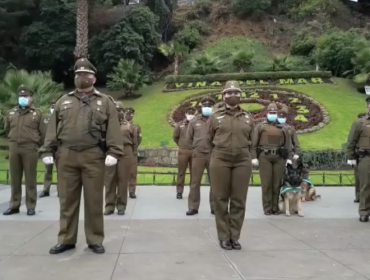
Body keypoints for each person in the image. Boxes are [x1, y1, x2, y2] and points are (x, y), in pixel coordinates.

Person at [39, 58, 124, 254]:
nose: (81, 78)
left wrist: (114, 151)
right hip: (66, 155)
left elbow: (113, 129)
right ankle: (66, 238)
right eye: (78, 74)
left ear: (94, 79)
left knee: (94, 200)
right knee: (67, 200)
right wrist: (46, 149)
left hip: (93, 155)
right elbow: (52, 129)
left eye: (85, 74)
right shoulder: (63, 101)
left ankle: (94, 239)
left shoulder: (105, 102)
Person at [207, 81, 254, 250]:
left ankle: (235, 236)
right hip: (220, 158)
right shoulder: (215, 117)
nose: (233, 95)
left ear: (240, 95)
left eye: (236, 92)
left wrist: (252, 157)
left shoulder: (248, 117)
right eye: (229, 92)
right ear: (223, 95)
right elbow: (208, 139)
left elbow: (252, 141)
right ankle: (223, 236)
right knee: (220, 199)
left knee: (239, 199)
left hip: (242, 159)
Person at [3, 85, 46, 216]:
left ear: (31, 98)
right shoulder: (11, 113)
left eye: (26, 96)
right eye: (21, 96)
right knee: (15, 179)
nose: (23, 98)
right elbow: (7, 129)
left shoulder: (37, 114)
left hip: (30, 148)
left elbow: (43, 133)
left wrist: (40, 147)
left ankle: (31, 205)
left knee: (30, 178)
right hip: (14, 147)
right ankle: (14, 205)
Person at [251, 103, 292, 215]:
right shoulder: (260, 127)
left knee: (276, 184)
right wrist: (254, 157)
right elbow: (253, 144)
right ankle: (267, 208)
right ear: (267, 113)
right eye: (271, 113)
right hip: (265, 157)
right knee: (266, 183)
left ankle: (275, 207)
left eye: (274, 113)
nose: (272, 114)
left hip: (279, 157)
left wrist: (289, 157)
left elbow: (288, 144)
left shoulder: (283, 127)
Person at [186, 96, 215, 215]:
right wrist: (195, 148)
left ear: (212, 107)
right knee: (195, 181)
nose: (207, 108)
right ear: (201, 107)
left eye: (209, 106)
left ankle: (214, 207)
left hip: (213, 154)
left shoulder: (216, 120)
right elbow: (189, 138)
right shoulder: (194, 121)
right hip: (198, 154)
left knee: (215, 182)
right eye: (205, 106)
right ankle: (193, 206)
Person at [104, 102, 135, 215]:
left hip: (125, 152)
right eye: (116, 110)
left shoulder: (129, 125)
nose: (119, 112)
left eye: (121, 110)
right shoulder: (107, 124)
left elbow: (134, 140)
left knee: (123, 181)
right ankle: (109, 206)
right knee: (109, 180)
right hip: (110, 152)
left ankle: (121, 206)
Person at [347, 100, 370, 222]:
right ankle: (364, 212)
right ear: (367, 107)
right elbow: (351, 141)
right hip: (366, 158)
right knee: (365, 185)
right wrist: (351, 157)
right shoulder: (359, 123)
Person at [173, 107, 196, 199]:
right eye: (189, 112)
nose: (190, 114)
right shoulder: (180, 124)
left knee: (194, 173)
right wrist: (180, 144)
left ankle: (193, 191)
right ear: (185, 114)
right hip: (183, 150)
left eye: (192, 113)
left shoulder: (197, 124)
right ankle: (179, 191)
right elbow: (175, 136)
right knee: (181, 172)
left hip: (194, 151)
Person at [40, 101, 57, 198]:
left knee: (61, 171)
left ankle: (61, 190)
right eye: (52, 106)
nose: (53, 108)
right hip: (48, 148)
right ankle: (46, 190)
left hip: (59, 147)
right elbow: (41, 132)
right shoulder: (45, 119)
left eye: (55, 106)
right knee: (48, 170)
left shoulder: (62, 117)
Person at [126, 107, 141, 199]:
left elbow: (139, 138)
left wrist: (134, 147)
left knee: (132, 172)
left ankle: (132, 191)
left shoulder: (136, 126)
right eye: (128, 113)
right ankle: (121, 190)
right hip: (122, 151)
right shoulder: (119, 125)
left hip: (133, 151)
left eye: (131, 114)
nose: (129, 115)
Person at [353, 112, 366, 203]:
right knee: (358, 178)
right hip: (358, 156)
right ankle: (358, 196)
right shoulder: (356, 127)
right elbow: (352, 142)